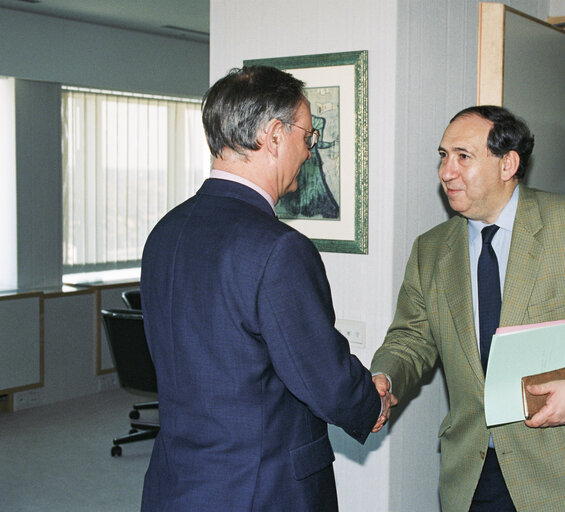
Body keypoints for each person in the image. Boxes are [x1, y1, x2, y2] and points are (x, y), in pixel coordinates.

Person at [371, 105, 565, 512]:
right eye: (443, 156)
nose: (446, 171)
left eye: (463, 156)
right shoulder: (430, 250)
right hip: (475, 468)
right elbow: (411, 338)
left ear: (508, 164)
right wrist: (385, 375)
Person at [140, 66, 391, 511]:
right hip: (262, 490)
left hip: (177, 483)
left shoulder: (165, 232)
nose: (310, 152)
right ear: (275, 136)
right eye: (308, 137)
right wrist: (371, 402)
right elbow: (323, 378)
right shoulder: (278, 249)